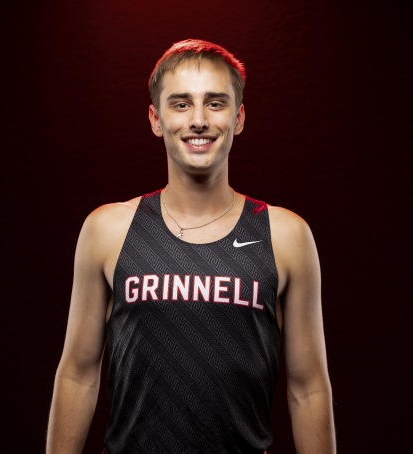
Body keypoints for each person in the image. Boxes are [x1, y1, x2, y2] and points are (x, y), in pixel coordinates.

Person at [46, 39, 336, 454]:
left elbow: (308, 389)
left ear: (238, 118)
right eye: (180, 104)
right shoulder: (108, 229)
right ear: (155, 119)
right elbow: (78, 373)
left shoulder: (285, 235)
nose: (198, 120)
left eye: (215, 103)